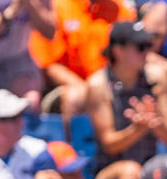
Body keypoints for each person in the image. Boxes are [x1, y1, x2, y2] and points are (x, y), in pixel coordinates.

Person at [87, 20, 167, 179]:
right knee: (131, 171)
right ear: (118, 51)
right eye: (140, 47)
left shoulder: (156, 79)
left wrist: (153, 123)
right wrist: (137, 130)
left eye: (148, 46)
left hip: (150, 167)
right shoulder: (98, 85)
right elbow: (109, 145)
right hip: (111, 172)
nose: (146, 52)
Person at [28, 0, 136, 128]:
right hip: (72, 85)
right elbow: (48, 65)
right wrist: (89, 89)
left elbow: (136, 53)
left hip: (116, 84)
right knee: (76, 96)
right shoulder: (59, 7)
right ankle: (73, 147)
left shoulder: (121, 9)